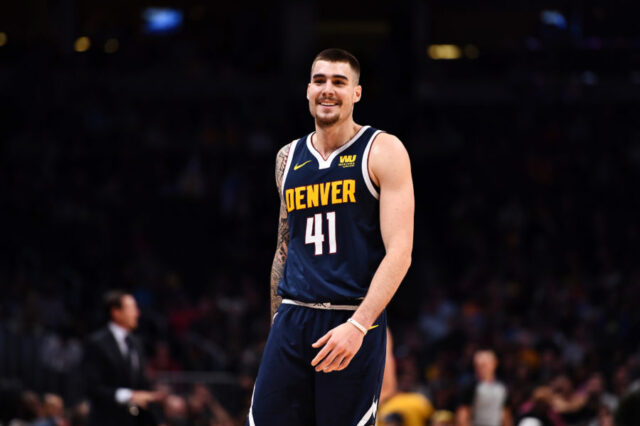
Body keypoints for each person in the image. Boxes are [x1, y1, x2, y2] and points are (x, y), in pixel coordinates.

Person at [248, 48, 414, 426]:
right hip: (292, 316)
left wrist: (359, 325)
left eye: (339, 82)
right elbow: (284, 246)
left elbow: (400, 252)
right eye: (320, 81)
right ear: (308, 90)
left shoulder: (383, 150)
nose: (328, 89)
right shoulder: (287, 157)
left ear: (356, 93)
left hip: (350, 317)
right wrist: (277, 320)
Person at [84, 290, 164, 425]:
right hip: (106, 420)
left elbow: (140, 383)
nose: (137, 313)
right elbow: (92, 387)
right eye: (132, 308)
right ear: (116, 312)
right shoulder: (97, 343)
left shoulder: (136, 343)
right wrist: (129, 395)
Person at [456, 349, 513, 426]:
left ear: (494, 364)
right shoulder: (470, 386)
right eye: (477, 365)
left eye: (484, 365)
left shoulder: (502, 387)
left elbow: (506, 414)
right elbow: (462, 415)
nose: (480, 368)